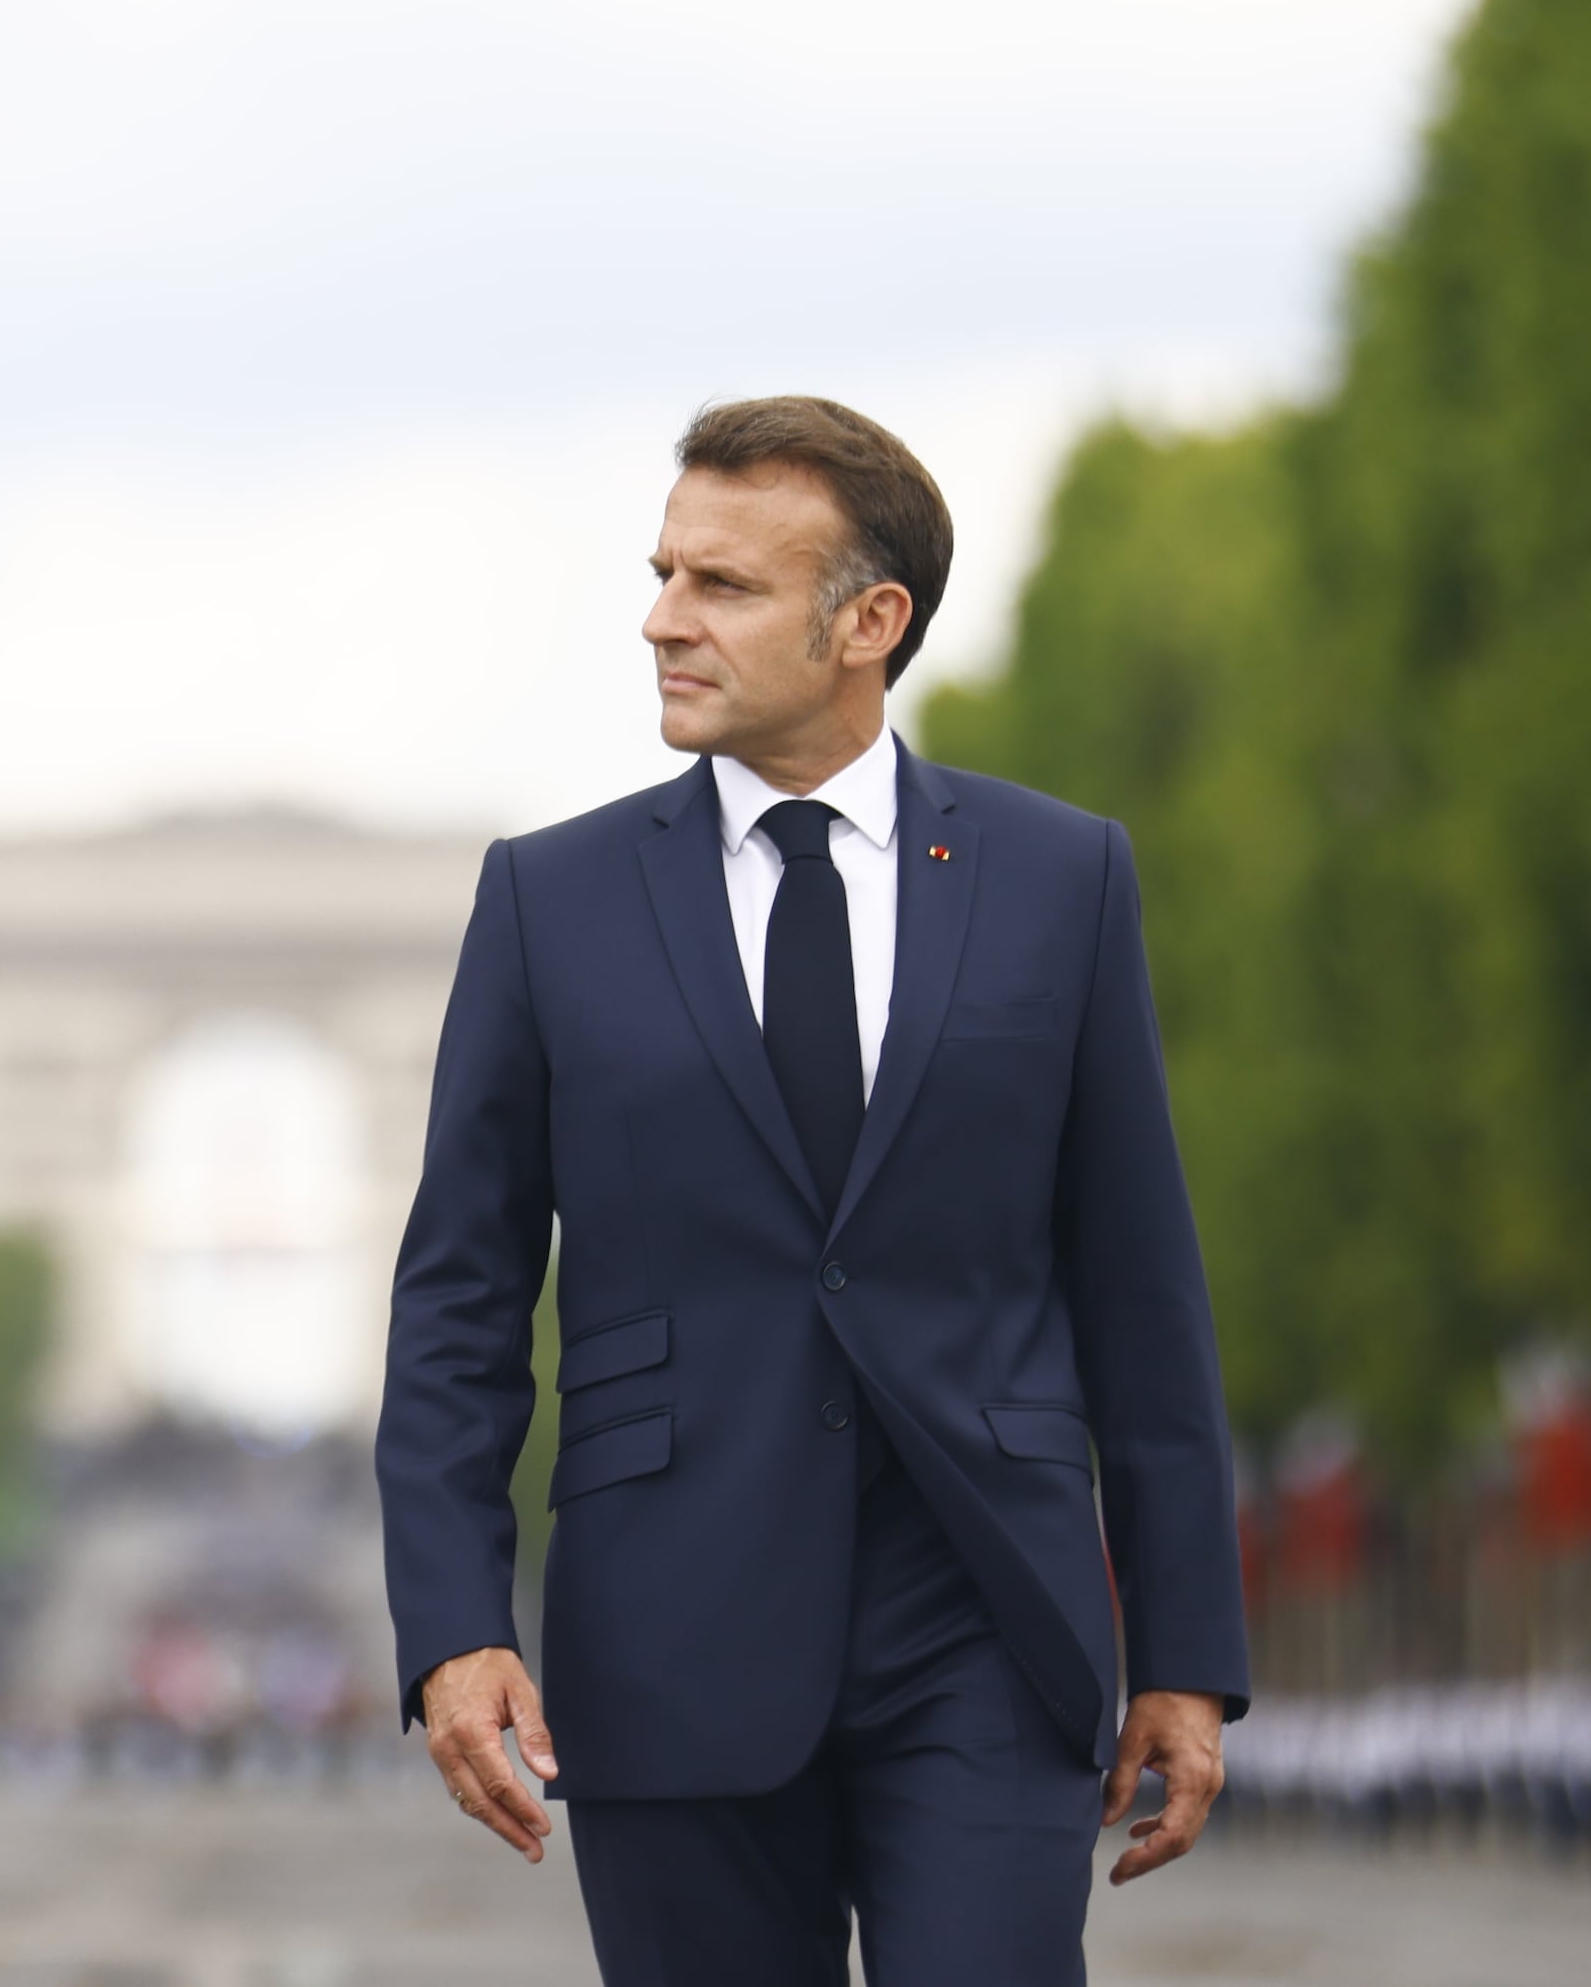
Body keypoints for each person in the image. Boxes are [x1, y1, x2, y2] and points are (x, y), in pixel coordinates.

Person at [379, 399, 1247, 1986]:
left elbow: (1141, 1289)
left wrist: (1188, 1651)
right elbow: (460, 1296)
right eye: (662, 572)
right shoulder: (545, 902)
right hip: (670, 1624)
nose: (662, 620)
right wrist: (453, 1624)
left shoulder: (1066, 883)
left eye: (722, 584)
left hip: (988, 1621)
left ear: (870, 622)